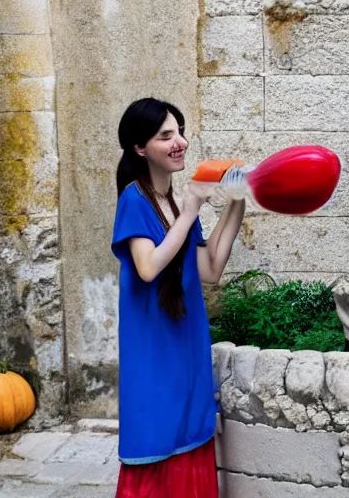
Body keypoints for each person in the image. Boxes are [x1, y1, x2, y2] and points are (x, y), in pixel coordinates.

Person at [112, 97, 246, 498]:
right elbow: (148, 266)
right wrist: (191, 209)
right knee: (155, 436)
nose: (180, 142)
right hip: (153, 353)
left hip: (186, 347)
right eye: (165, 135)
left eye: (181, 132)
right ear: (140, 148)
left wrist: (236, 201)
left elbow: (209, 269)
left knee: (191, 431)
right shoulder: (134, 199)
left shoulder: (174, 203)